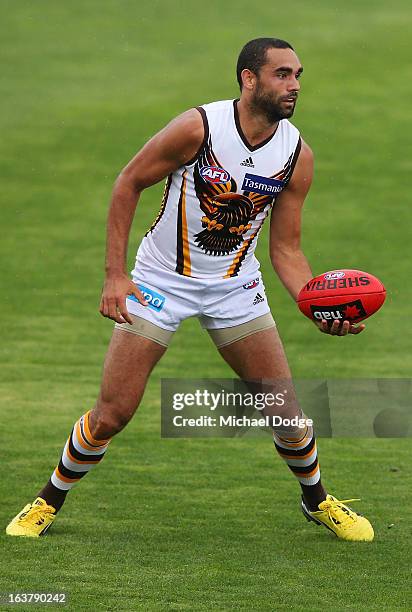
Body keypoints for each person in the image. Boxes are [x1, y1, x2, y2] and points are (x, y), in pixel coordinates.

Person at [6, 37, 373, 541]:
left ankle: (318, 501)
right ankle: (47, 500)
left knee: (285, 412)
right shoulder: (198, 128)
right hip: (160, 281)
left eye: (298, 75)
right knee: (113, 413)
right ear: (249, 79)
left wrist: (316, 306)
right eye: (283, 75)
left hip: (234, 288)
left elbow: (286, 250)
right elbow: (128, 182)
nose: (295, 86)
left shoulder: (295, 154)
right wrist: (117, 276)